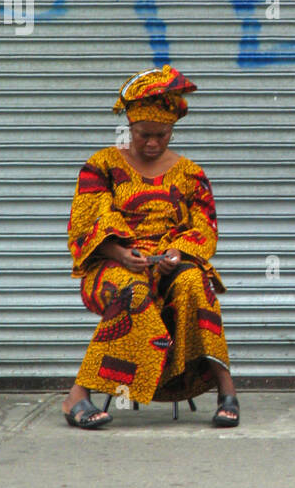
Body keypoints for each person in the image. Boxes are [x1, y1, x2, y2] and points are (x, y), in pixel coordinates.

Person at [63, 66, 239, 430]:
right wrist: (120, 253)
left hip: (170, 264)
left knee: (196, 285)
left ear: (172, 129)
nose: (152, 143)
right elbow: (85, 222)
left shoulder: (191, 173)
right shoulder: (102, 166)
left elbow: (205, 225)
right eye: (144, 135)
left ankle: (227, 391)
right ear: (130, 127)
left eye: (161, 135)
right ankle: (77, 395)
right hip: (111, 266)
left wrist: (178, 252)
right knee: (133, 291)